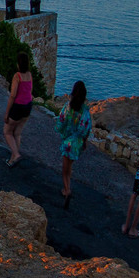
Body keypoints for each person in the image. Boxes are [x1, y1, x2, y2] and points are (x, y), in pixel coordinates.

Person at [54, 80, 92, 209]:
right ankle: (67, 187)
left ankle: (67, 191)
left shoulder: (68, 106)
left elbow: (61, 121)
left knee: (64, 169)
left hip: (68, 142)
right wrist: (84, 142)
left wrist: (61, 131)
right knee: (69, 168)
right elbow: (86, 129)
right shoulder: (85, 111)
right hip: (77, 144)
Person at [1, 51, 35, 167]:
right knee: (17, 133)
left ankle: (16, 154)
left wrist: (7, 112)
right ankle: (12, 159)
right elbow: (30, 91)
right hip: (28, 106)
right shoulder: (30, 75)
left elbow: (13, 95)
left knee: (7, 131)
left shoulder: (17, 76)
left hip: (18, 106)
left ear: (19, 63)